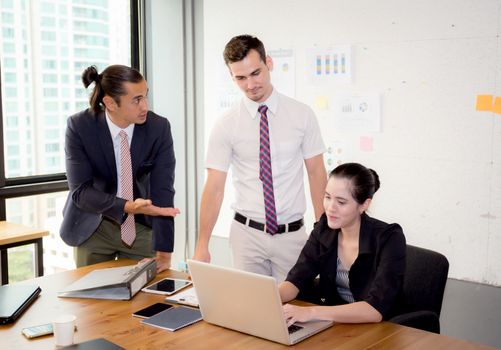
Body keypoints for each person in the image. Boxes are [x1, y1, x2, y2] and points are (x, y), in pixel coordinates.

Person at [193, 35, 327, 282]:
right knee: (250, 314)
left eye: (256, 73)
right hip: (247, 236)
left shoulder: (301, 115)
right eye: (240, 78)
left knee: (294, 311)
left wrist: (324, 231)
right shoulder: (226, 125)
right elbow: (214, 187)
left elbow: (317, 172)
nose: (251, 84)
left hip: (292, 236)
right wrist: (203, 244)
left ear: (269, 63)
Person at [60, 64, 180, 272]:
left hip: (141, 225)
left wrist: (164, 252)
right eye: (136, 100)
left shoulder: (158, 128)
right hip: (93, 225)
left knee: (149, 298)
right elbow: (80, 192)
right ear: (110, 103)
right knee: (92, 299)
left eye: (145, 96)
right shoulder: (80, 127)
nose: (145, 106)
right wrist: (127, 206)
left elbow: (163, 190)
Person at [279, 163, 406, 324]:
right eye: (327, 197)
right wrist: (267, 297)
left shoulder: (389, 237)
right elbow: (296, 280)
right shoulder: (324, 229)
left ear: (364, 204)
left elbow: (375, 309)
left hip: (382, 329)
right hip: (339, 325)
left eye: (341, 202)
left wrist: (312, 312)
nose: (330, 208)